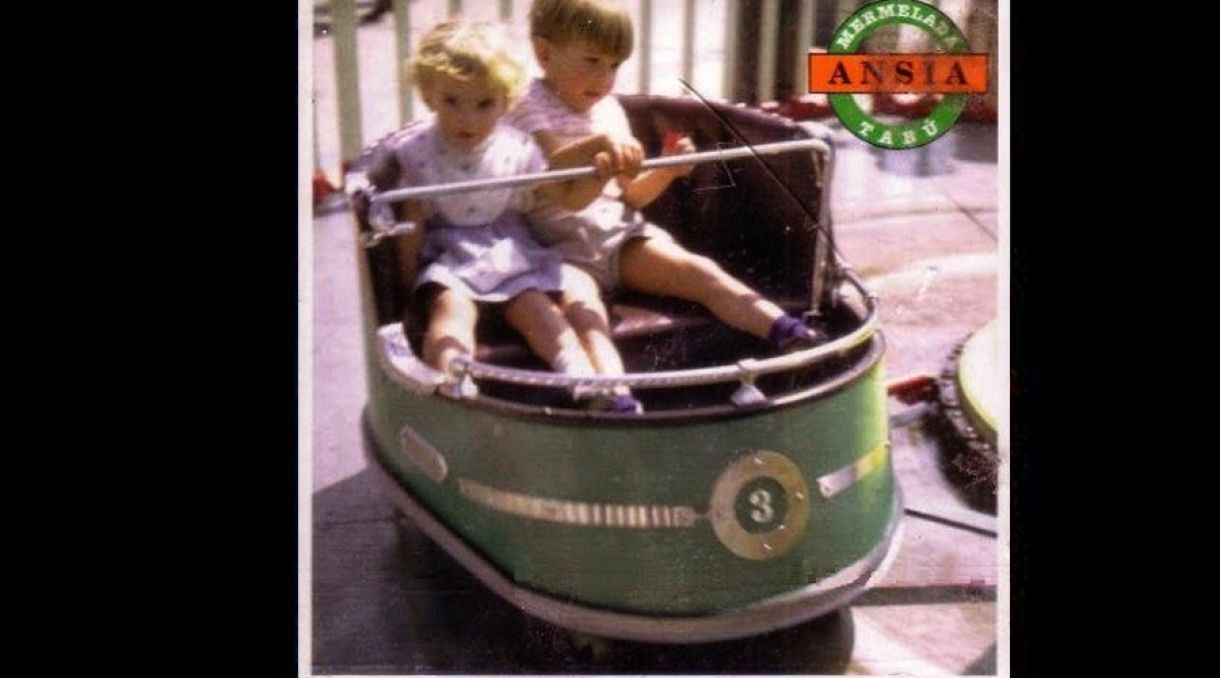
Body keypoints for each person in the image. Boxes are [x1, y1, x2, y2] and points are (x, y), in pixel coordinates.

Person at [504, 0, 828, 358]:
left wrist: (667, 170)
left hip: (615, 235)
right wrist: (600, 147)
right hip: (553, 249)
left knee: (701, 273)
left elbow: (632, 195)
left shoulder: (608, 110)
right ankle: (609, 388)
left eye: (614, 65)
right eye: (592, 61)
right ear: (544, 54)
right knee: (587, 316)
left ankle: (793, 335)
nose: (604, 78)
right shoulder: (526, 103)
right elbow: (558, 170)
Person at [383, 19, 642, 412]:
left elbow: (564, 195)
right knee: (449, 312)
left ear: (505, 102)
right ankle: (454, 384)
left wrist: (598, 171)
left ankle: (585, 382)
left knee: (541, 312)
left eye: (484, 104)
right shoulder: (415, 153)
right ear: (429, 95)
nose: (468, 119)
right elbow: (412, 226)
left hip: (508, 249)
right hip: (450, 253)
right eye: (452, 101)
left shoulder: (517, 148)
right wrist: (406, 294)